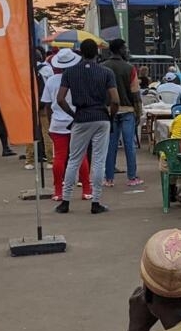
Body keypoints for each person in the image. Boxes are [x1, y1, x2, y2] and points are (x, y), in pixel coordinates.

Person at [55, 39, 118, 215]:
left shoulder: (70, 72)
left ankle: (65, 201)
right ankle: (95, 201)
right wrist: (110, 115)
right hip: (101, 117)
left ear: (80, 53)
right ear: (97, 52)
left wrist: (73, 114)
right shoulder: (106, 73)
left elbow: (60, 99)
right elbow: (115, 100)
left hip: (81, 117)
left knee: (74, 159)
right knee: (98, 160)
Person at [41, 49, 93, 202]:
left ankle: (58, 191)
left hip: (57, 123)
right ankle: (86, 189)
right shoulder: (81, 78)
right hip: (77, 122)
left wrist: (51, 123)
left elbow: (47, 105)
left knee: (59, 157)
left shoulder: (51, 80)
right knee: (81, 156)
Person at [101, 39, 143, 188]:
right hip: (127, 111)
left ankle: (109, 178)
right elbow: (135, 93)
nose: (126, 50)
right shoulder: (130, 68)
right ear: (119, 50)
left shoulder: (103, 67)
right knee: (129, 145)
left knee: (110, 145)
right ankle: (132, 177)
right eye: (124, 48)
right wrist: (138, 112)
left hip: (109, 111)